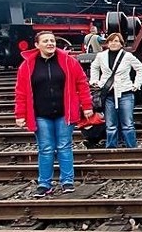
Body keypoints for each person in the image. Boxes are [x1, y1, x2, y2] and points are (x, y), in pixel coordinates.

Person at [14, 31, 94, 197]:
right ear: (37, 45)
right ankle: (44, 184)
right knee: (46, 148)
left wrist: (87, 106)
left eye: (52, 40)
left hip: (65, 113)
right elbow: (21, 92)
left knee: (64, 146)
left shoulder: (68, 61)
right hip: (40, 114)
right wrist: (20, 114)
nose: (50, 43)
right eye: (45, 41)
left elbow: (82, 84)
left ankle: (67, 182)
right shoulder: (27, 65)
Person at [90, 33, 142, 148]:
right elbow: (94, 67)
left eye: (116, 41)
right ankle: (111, 148)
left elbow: (140, 68)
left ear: (121, 43)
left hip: (125, 92)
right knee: (110, 124)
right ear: (107, 43)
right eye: (111, 41)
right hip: (107, 93)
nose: (113, 43)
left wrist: (136, 84)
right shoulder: (101, 56)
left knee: (128, 124)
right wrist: (94, 80)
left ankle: (131, 147)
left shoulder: (128, 56)